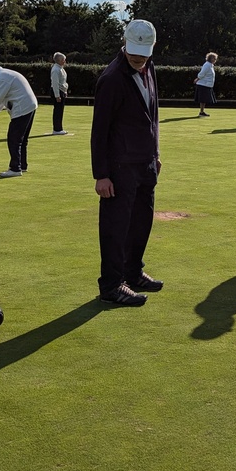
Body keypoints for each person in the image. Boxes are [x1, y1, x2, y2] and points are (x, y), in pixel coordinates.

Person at [90, 19, 165, 306]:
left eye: (144, 55)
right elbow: (100, 131)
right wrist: (101, 174)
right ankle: (111, 285)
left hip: (145, 162)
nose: (139, 60)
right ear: (125, 45)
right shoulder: (111, 79)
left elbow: (153, 113)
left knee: (141, 221)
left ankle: (133, 273)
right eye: (134, 55)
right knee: (116, 225)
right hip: (120, 167)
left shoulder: (150, 67)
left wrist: (155, 153)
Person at [0, 62, 39, 177]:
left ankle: (15, 168)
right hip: (30, 106)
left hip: (23, 107)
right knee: (21, 139)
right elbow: (0, 103)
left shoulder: (1, 78)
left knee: (14, 139)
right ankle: (22, 165)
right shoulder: (4, 75)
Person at [193, 52, 218, 116]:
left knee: (204, 100)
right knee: (202, 99)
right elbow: (202, 73)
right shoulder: (207, 65)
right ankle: (201, 112)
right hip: (203, 84)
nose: (215, 60)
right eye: (214, 58)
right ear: (211, 58)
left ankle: (202, 111)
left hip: (207, 85)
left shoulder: (210, 65)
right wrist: (197, 79)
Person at [50, 52, 69, 134]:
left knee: (60, 110)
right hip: (57, 91)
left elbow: (63, 81)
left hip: (61, 91)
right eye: (63, 60)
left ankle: (59, 128)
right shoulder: (55, 70)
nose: (65, 61)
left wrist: (65, 91)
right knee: (58, 110)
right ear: (59, 60)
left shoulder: (61, 68)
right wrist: (57, 95)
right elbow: (55, 83)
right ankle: (57, 129)